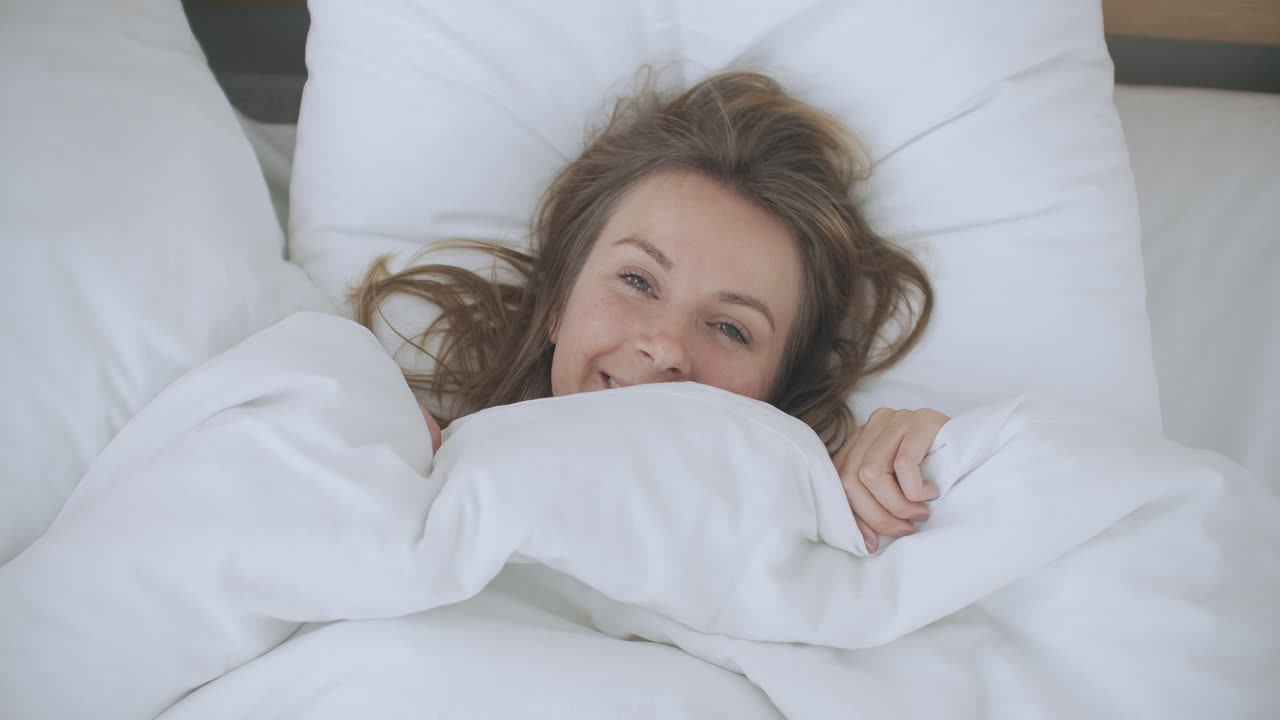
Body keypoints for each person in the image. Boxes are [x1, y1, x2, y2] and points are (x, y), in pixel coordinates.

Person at [351, 71, 947, 553]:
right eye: (638, 280)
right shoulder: (394, 461)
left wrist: (940, 460)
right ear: (559, 300)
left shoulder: (817, 531)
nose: (665, 346)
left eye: (731, 328)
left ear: (777, 390)